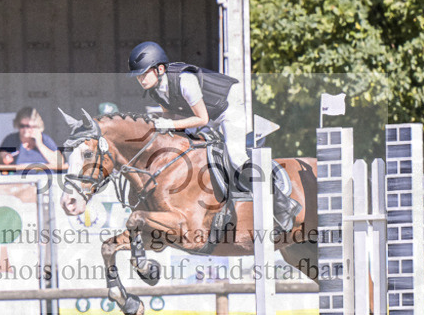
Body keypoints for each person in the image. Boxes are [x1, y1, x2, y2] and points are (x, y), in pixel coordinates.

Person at [126, 41, 300, 232]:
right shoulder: (155, 91)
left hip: (227, 108)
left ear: (159, 69)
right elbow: (171, 115)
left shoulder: (185, 80)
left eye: (144, 73)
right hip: (205, 115)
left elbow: (201, 119)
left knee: (235, 156)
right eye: (138, 76)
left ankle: (283, 203)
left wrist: (170, 124)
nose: (141, 79)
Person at [0, 107, 65, 168]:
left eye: (29, 126)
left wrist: (39, 144)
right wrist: (5, 158)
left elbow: (59, 163)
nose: (26, 130)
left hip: (44, 178)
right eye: (22, 126)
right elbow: (0, 159)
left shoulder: (45, 139)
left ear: (37, 126)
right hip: (19, 179)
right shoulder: (11, 139)